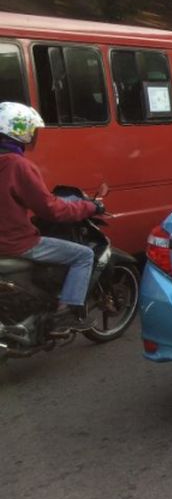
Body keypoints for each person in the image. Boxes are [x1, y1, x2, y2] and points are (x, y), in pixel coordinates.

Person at [0, 102, 105, 331]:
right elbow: (51, 209)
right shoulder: (17, 165)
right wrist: (88, 207)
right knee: (84, 255)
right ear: (19, 130)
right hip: (14, 243)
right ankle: (65, 313)